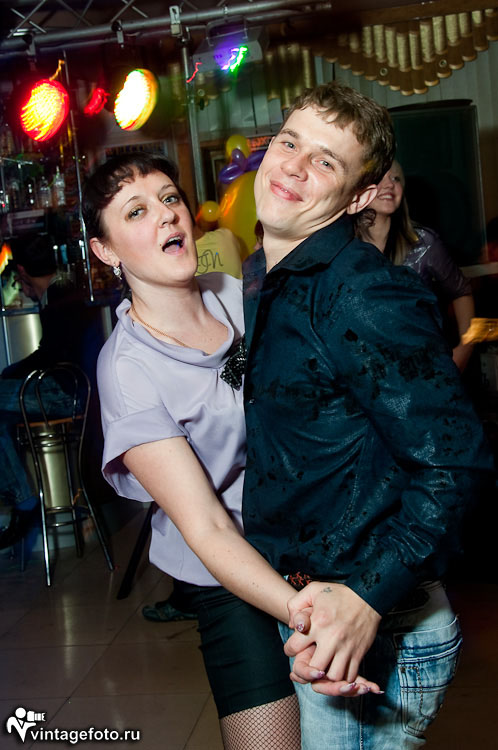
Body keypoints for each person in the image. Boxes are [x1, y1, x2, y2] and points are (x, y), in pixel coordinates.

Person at [82, 152, 378, 750]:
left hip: (306, 537)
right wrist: (307, 616)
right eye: (136, 212)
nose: (167, 216)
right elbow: (209, 527)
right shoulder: (127, 370)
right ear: (106, 251)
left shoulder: (237, 292)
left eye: (170, 198)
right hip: (226, 568)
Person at [241, 81, 493, 748]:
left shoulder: (363, 290)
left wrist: (365, 596)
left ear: (358, 198)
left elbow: (457, 462)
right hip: (316, 610)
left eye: (325, 160)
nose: (293, 166)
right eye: (289, 142)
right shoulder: (267, 275)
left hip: (378, 627)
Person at [0, 233, 99, 549]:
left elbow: (48, 356)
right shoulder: (65, 290)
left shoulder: (60, 296)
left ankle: (23, 502)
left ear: (22, 272)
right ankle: (22, 500)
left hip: (67, 394)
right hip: (73, 390)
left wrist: (8, 373)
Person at [354, 160, 475, 371]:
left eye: (396, 179)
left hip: (424, 370)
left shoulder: (423, 243)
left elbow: (461, 292)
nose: (390, 184)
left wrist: (465, 348)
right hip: (365, 373)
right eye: (380, 177)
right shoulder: (344, 246)